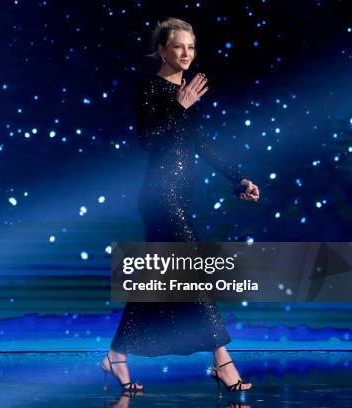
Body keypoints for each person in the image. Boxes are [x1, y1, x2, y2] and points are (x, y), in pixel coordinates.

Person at [101, 18, 260, 394]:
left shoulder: (185, 92)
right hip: (159, 199)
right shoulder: (150, 88)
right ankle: (223, 362)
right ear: (162, 50)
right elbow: (148, 141)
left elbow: (202, 144)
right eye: (178, 47)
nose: (186, 54)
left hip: (181, 198)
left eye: (191, 47)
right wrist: (178, 106)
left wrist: (238, 179)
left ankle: (115, 356)